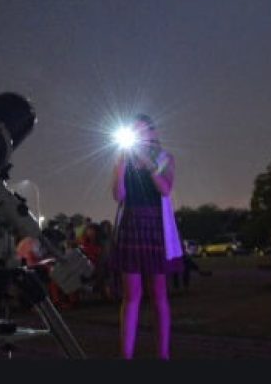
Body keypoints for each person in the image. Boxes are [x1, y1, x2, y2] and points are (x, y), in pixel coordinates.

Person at [110, 114, 180, 360]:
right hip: (131, 224)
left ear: (153, 133)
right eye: (134, 132)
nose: (138, 137)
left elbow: (165, 188)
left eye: (142, 132)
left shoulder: (164, 158)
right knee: (131, 295)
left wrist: (147, 163)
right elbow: (119, 195)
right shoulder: (124, 160)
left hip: (155, 226)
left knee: (159, 293)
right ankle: (125, 355)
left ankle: (163, 353)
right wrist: (119, 167)